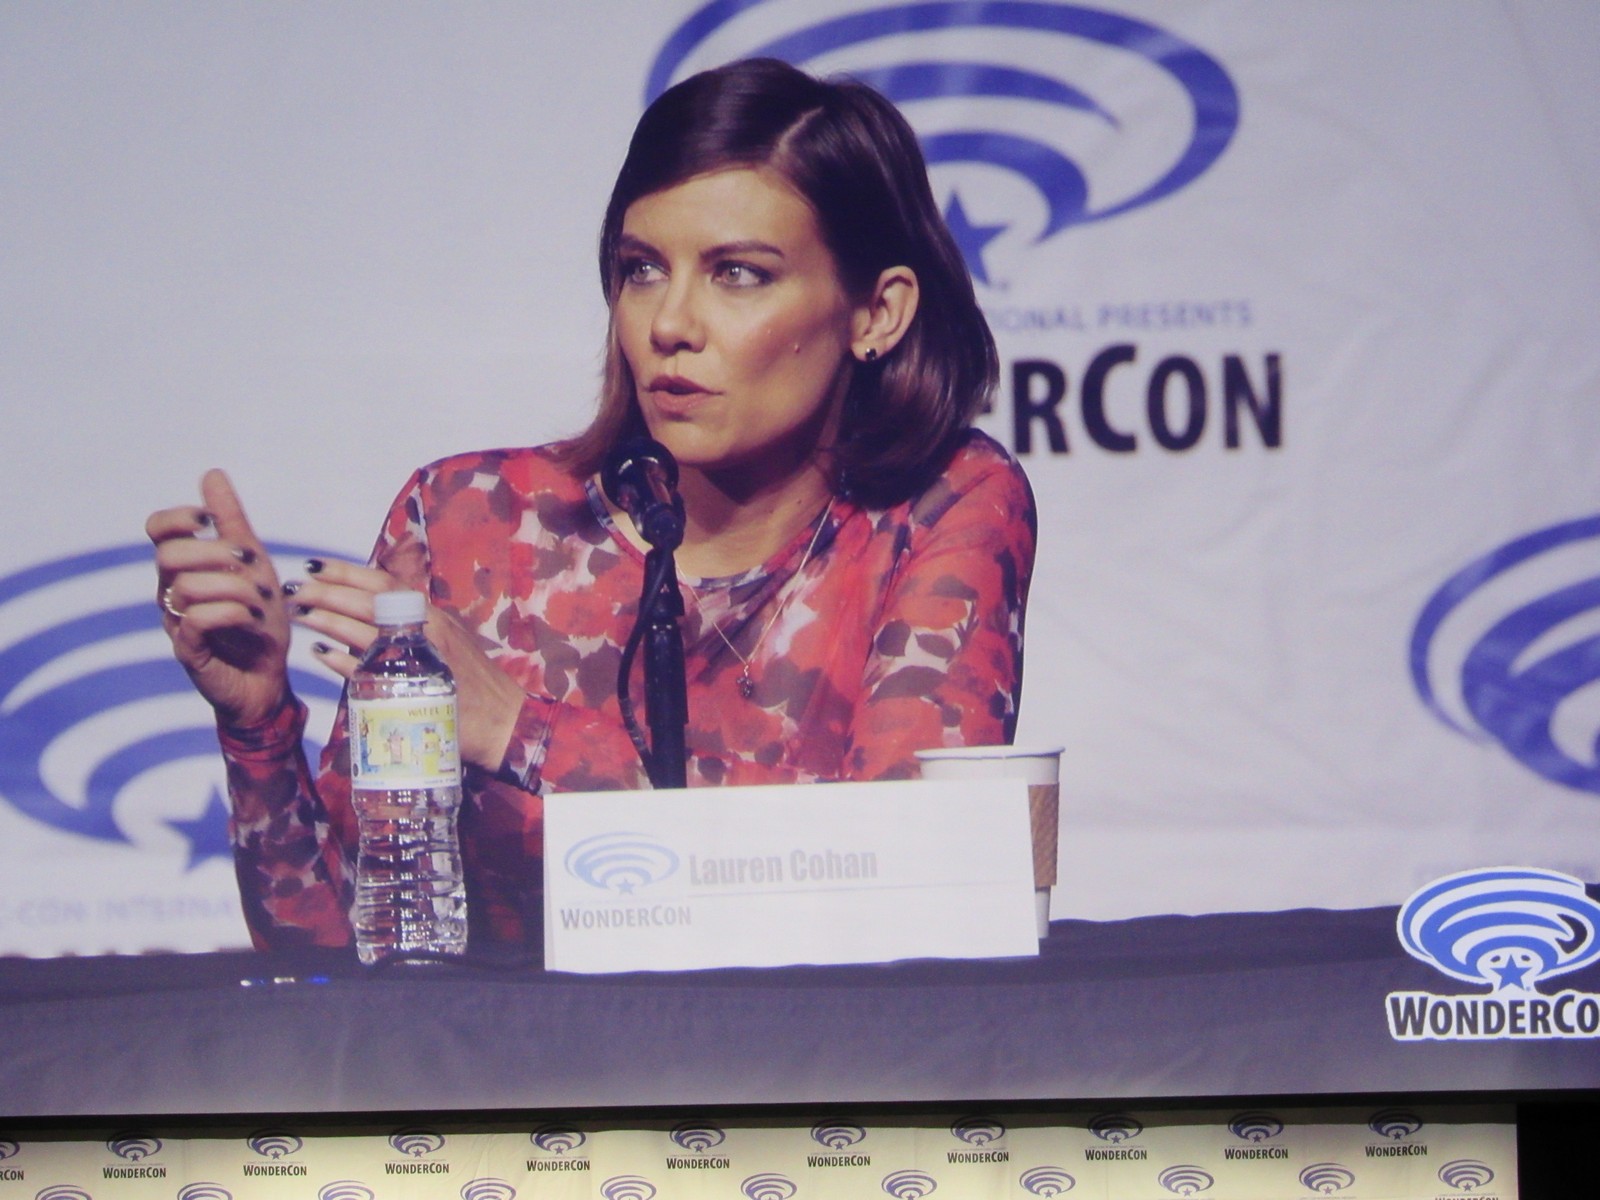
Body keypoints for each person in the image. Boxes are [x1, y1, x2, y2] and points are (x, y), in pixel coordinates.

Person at [146, 58, 1037, 952]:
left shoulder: (943, 509)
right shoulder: (465, 522)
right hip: (507, 1044)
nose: (669, 324)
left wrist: (522, 732)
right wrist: (259, 725)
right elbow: (344, 952)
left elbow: (907, 890)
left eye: (737, 274)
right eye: (642, 269)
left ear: (876, 313)